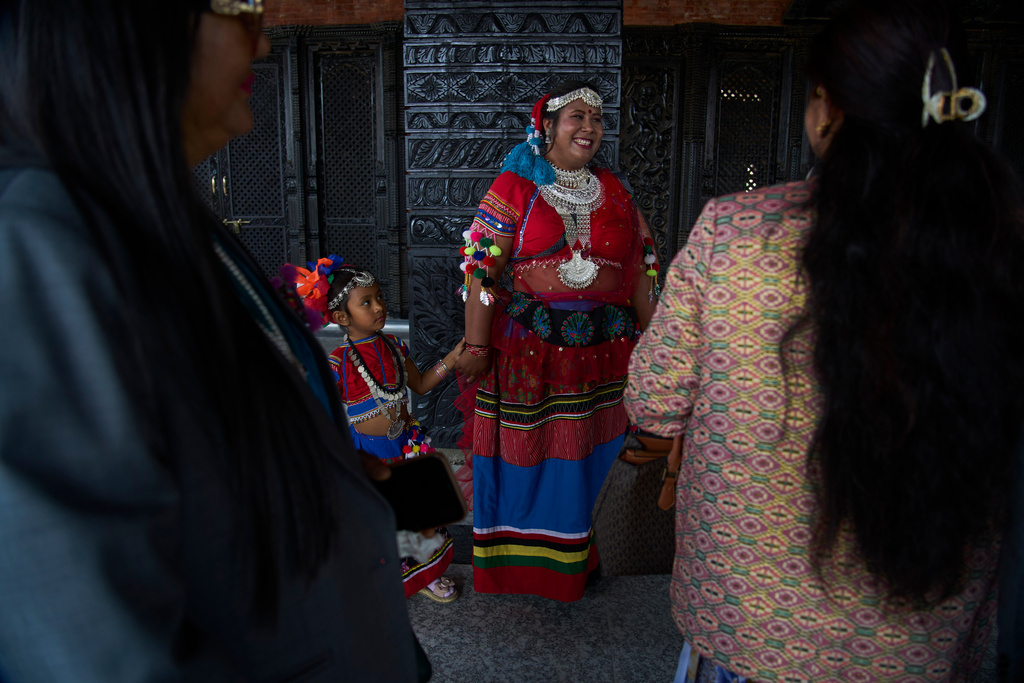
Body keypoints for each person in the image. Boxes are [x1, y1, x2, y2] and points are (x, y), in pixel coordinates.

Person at [0, 1, 426, 680]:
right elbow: (95, 646)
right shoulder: (33, 251)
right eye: (236, 6)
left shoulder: (160, 213)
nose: (260, 41)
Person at [625, 0, 1024, 680]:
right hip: (922, 641)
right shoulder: (1003, 245)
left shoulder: (734, 233)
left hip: (749, 631)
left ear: (824, 110)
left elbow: (654, 401)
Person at [454, 80, 660, 601]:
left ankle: (579, 557)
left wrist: (659, 347)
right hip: (529, 350)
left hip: (604, 352)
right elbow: (482, 268)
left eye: (596, 117)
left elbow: (644, 268)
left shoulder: (615, 189)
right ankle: (526, 569)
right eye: (576, 116)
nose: (589, 126)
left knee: (588, 456)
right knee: (533, 455)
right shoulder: (514, 186)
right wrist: (477, 345)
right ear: (546, 125)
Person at [290, 256, 465, 603]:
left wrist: (452, 360)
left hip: (406, 444)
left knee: (421, 513)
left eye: (379, 297)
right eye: (366, 302)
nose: (379, 306)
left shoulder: (396, 347)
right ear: (341, 317)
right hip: (371, 453)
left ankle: (428, 575)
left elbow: (420, 384)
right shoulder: (338, 363)